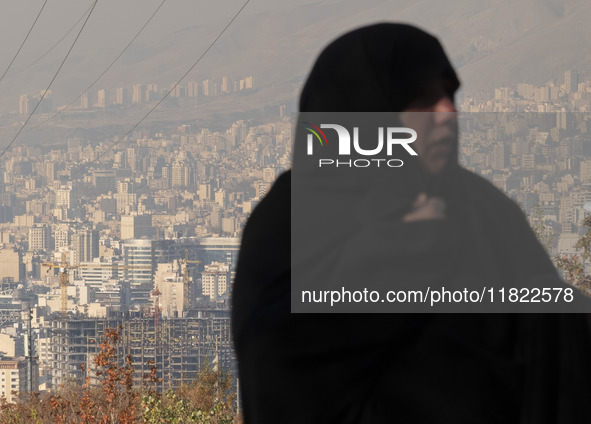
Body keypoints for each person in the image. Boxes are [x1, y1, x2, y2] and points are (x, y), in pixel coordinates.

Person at [232, 23, 591, 423]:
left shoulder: (480, 209)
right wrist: (399, 253)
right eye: (422, 100)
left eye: (449, 94)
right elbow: (281, 370)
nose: (448, 113)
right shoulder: (289, 226)